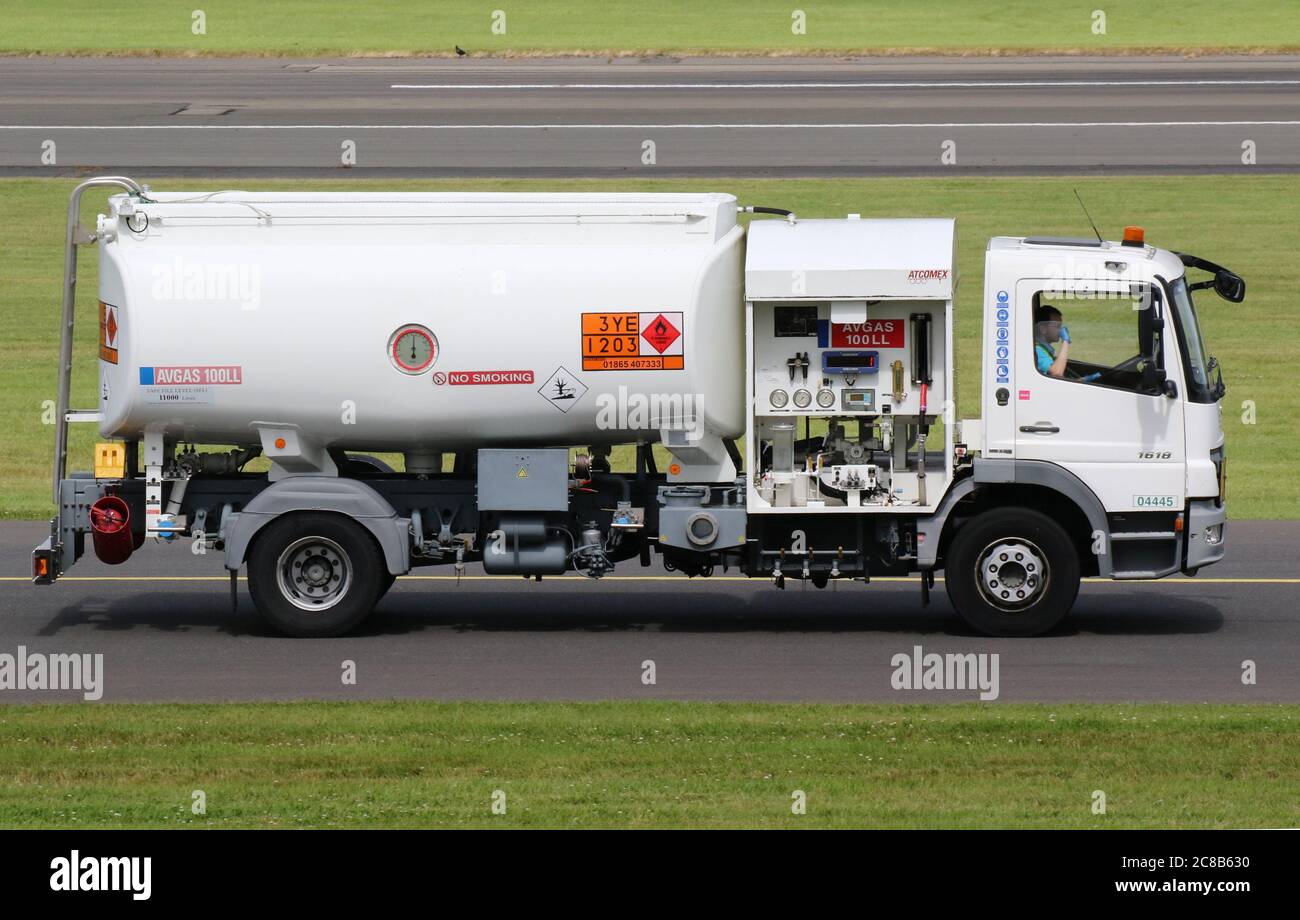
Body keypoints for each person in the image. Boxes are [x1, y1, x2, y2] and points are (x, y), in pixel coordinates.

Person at [1033, 304, 1070, 378]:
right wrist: (1065, 341)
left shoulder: (1044, 349)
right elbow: (1057, 373)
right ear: (1043, 329)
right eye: (1057, 327)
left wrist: (1079, 380)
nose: (1061, 330)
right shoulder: (1037, 350)